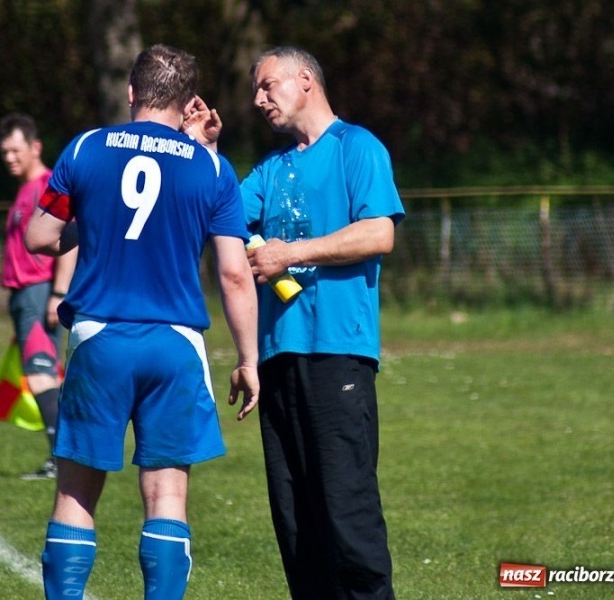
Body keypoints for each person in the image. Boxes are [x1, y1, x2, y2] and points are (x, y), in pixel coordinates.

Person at [24, 44, 259, 600]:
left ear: (131, 93)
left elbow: (39, 238)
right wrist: (249, 358)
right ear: (186, 105)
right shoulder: (211, 166)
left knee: (76, 494)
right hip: (175, 343)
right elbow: (232, 273)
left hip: (99, 336)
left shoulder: (85, 148)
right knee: (168, 499)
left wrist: (94, 225)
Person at [241, 47, 405, 599]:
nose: (258, 99)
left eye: (267, 86)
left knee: (347, 515)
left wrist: (290, 253)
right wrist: (203, 150)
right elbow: (219, 215)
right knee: (296, 525)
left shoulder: (356, 147)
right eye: (256, 91)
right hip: (278, 358)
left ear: (305, 80)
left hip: (338, 353)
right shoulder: (270, 168)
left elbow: (378, 233)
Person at [0, 113, 77, 480]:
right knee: (40, 374)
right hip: (24, 295)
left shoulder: (47, 185)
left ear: (35, 147)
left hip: (39, 290)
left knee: (42, 374)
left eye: (16, 150)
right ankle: (61, 457)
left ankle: (62, 459)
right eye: (5, 152)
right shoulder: (24, 190)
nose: (9, 158)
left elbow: (68, 242)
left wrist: (57, 293)